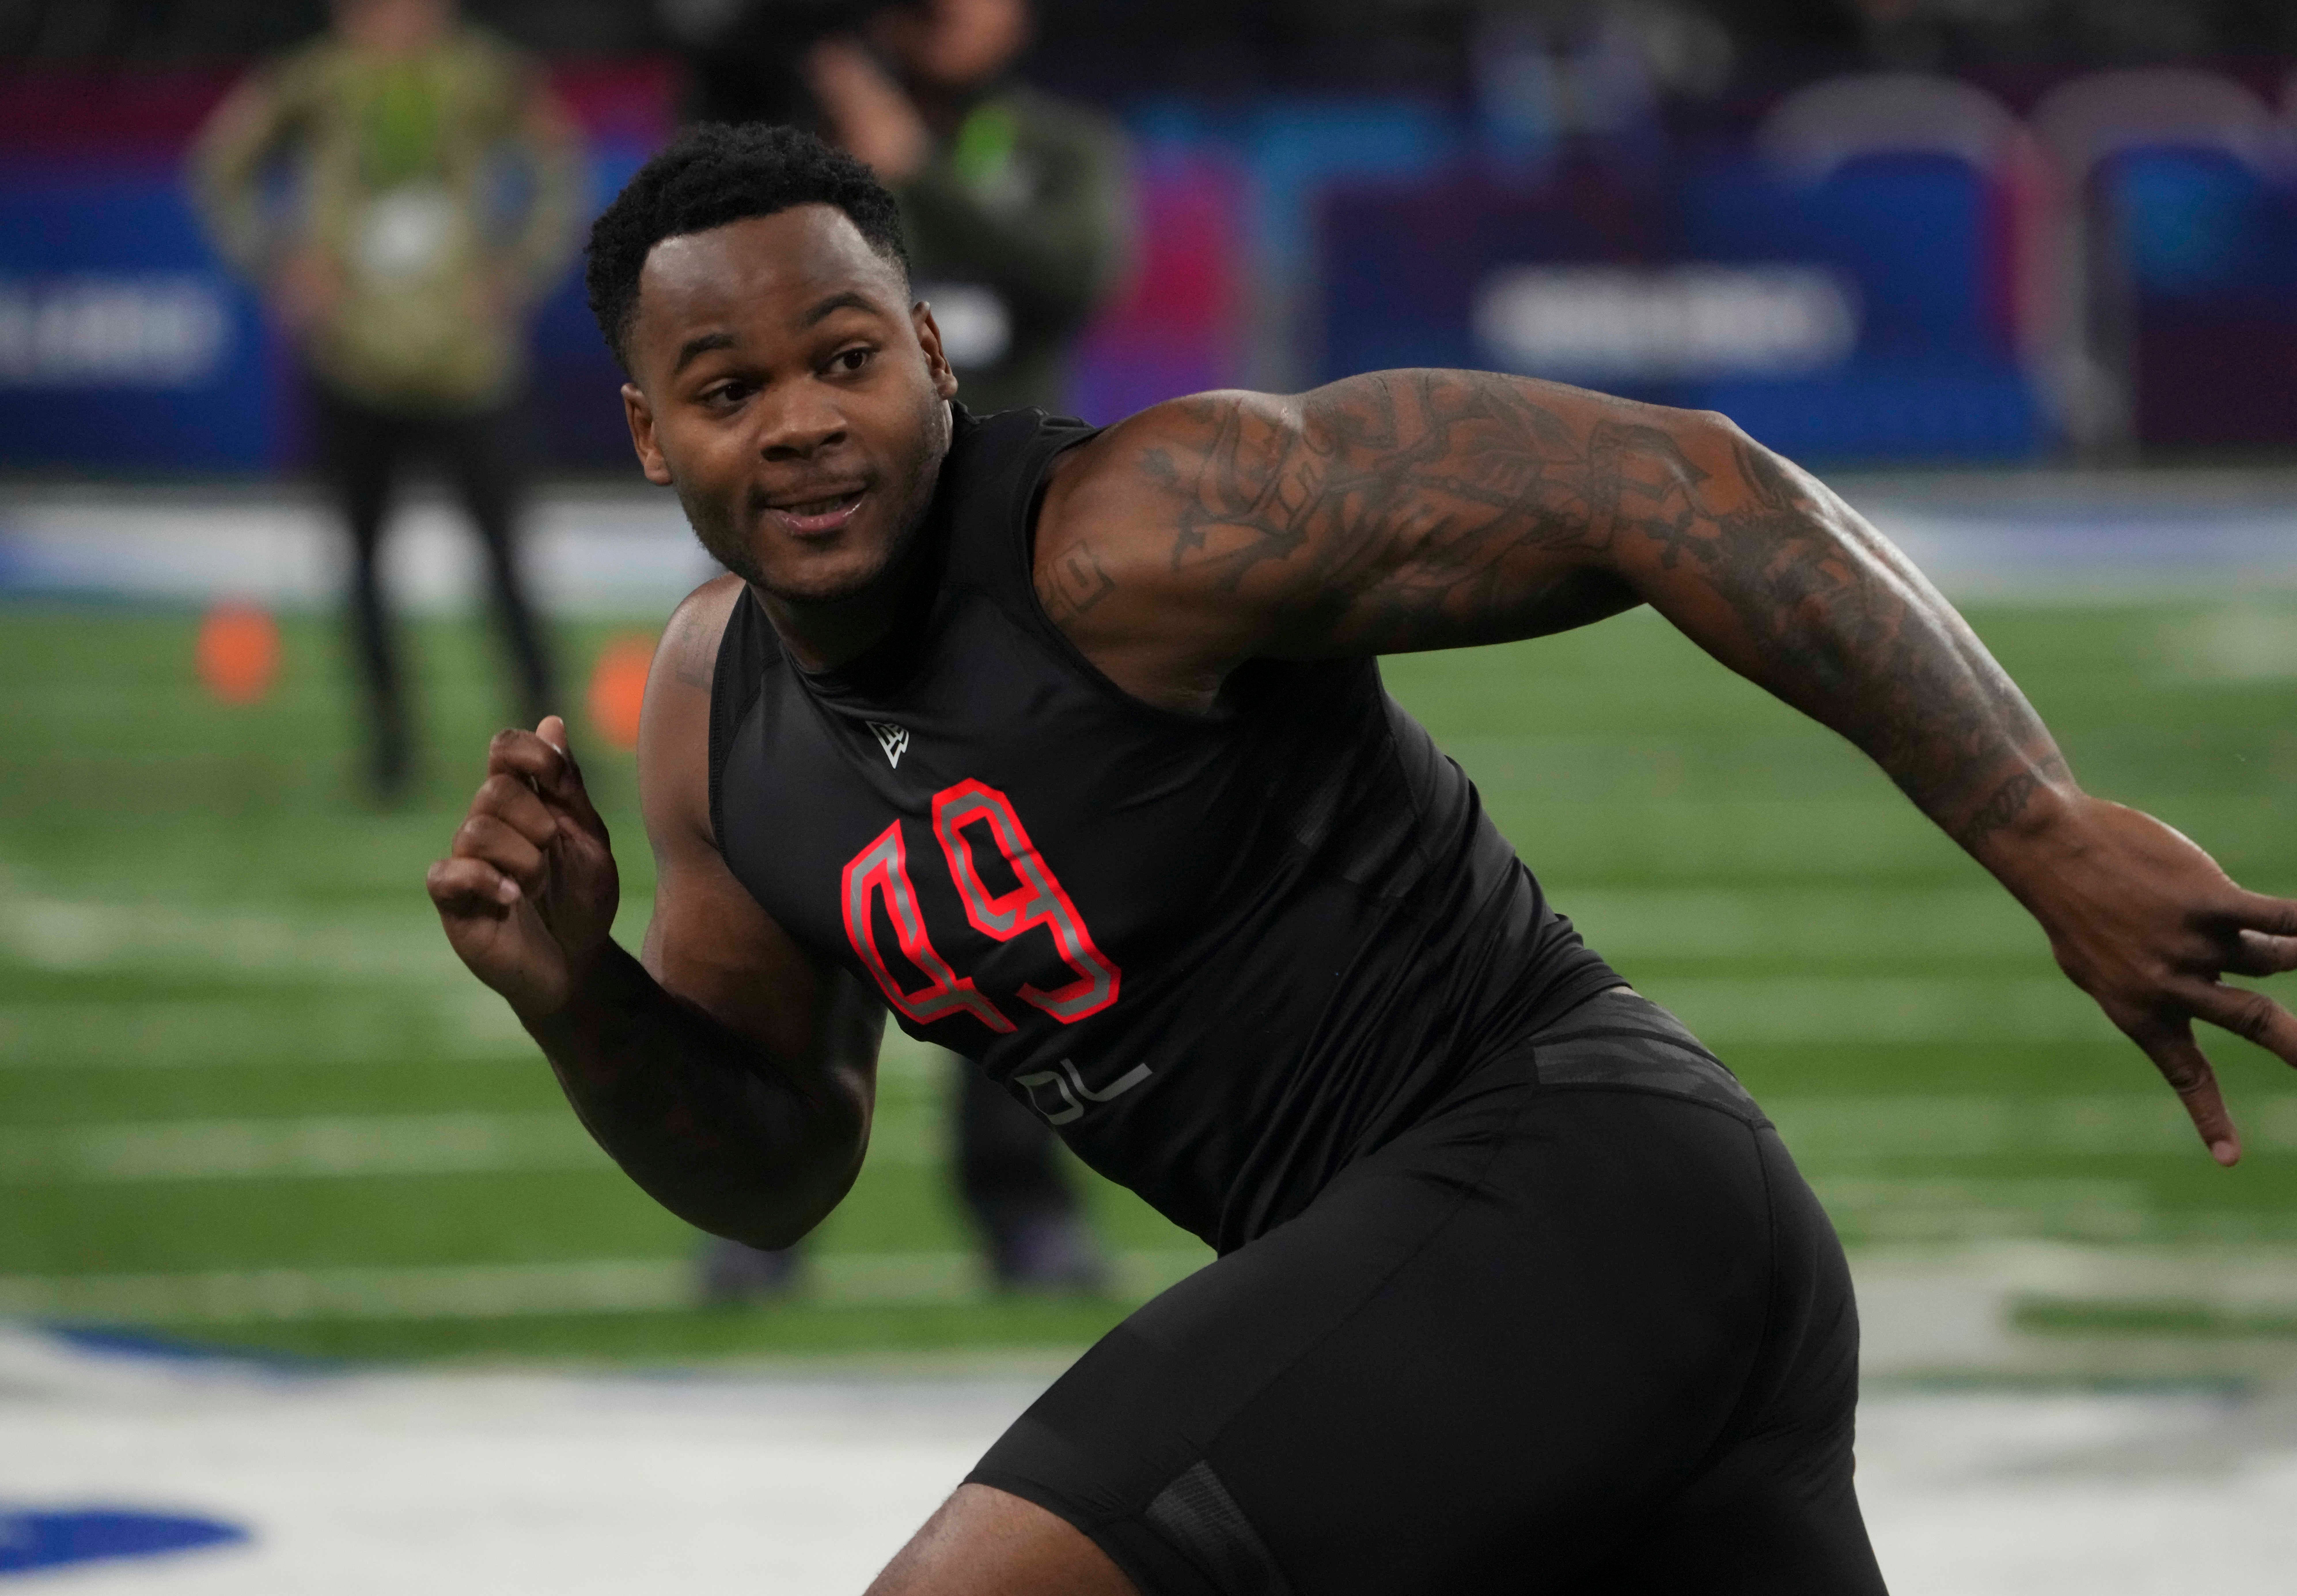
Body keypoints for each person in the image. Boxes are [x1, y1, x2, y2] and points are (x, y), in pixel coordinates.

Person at [427, 124, 2297, 1595]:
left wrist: (2033, 824)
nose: (804, 423)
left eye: (843, 357)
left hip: (1582, 1200)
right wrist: (580, 1000)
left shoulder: (1128, 538)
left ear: (925, 347)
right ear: (648, 430)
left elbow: (1674, 481)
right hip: (1486, 1328)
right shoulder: (709, 714)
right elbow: (772, 1174)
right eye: (732, 389)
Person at [694, 0, 1131, 1300]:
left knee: (1025, 903)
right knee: (798, 889)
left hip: (1012, 559)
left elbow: (1071, 271)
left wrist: (914, 170)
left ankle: (1023, 1210)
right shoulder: (803, 137)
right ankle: (763, 1203)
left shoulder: (1056, 143)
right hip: (825, 561)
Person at [192, 0, 583, 800]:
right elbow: (220, 163)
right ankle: (390, 753)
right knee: (365, 569)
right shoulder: (313, 77)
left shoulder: (482, 71)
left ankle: (552, 745)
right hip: (354, 361)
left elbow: (559, 161)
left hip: (468, 365)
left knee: (507, 565)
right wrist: (279, 261)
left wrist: (518, 269)